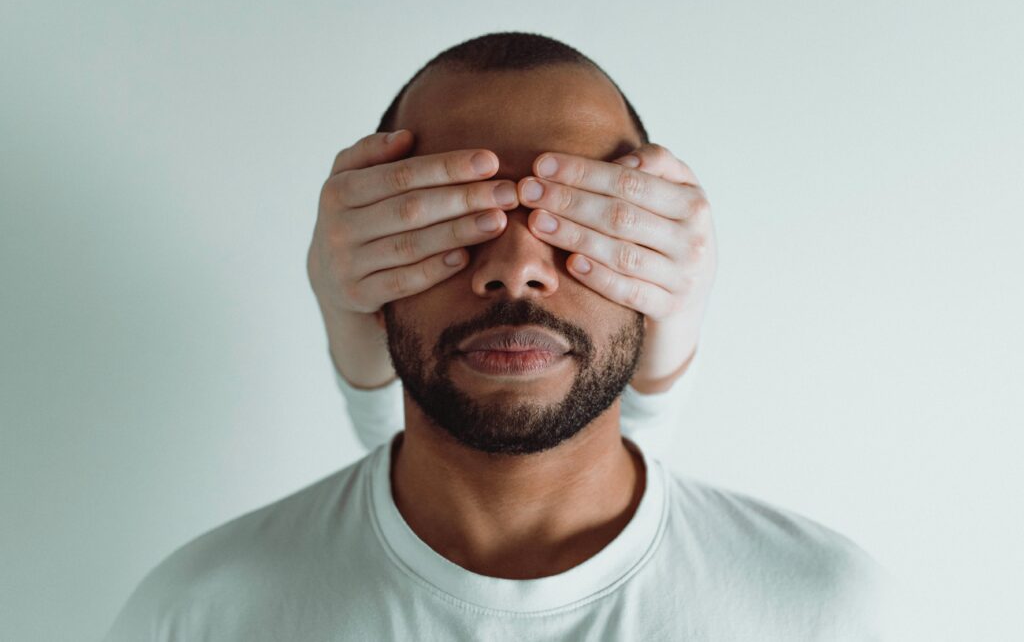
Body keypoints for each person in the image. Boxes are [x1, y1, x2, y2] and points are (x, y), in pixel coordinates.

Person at [104, 32, 887, 640]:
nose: (516, 268)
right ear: (371, 261)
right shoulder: (197, 615)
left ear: (650, 253)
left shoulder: (830, 614)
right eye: (456, 215)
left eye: (574, 214)